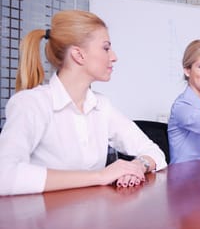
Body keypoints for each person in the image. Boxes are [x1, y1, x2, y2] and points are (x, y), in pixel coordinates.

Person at [0, 10, 167, 196]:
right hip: (43, 221)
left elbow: (154, 152)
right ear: (79, 55)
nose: (114, 56)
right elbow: (5, 176)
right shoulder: (31, 104)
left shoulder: (101, 105)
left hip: (93, 217)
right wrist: (100, 176)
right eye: (106, 48)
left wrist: (137, 166)